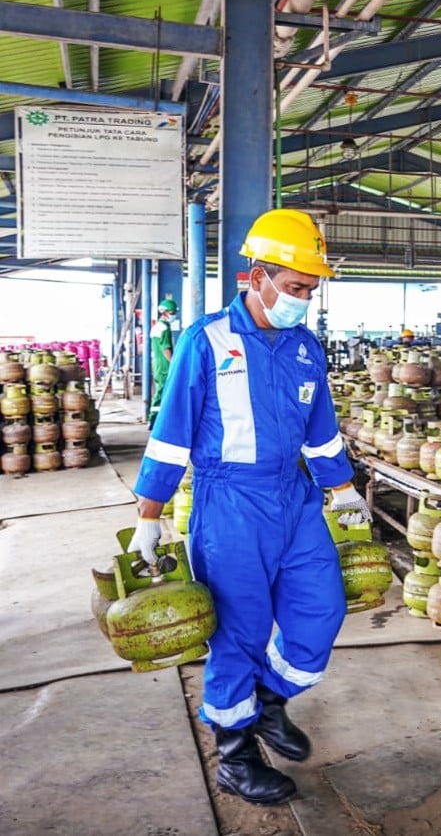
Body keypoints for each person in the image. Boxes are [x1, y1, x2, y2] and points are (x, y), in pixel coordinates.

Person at [129, 208, 372, 807]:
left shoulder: (305, 348)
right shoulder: (206, 341)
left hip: (295, 499)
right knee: (240, 632)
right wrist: (149, 516)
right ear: (258, 277)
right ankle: (235, 757)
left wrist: (342, 489)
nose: (302, 301)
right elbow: (171, 436)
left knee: (321, 608)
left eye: (310, 291)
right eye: (295, 287)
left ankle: (267, 702)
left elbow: (321, 432)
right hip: (229, 504)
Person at [148, 296, 177, 427]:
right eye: (172, 313)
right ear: (164, 313)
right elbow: (166, 349)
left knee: (160, 391)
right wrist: (174, 363)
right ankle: (154, 420)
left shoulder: (157, 327)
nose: (174, 315)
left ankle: (156, 419)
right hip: (165, 365)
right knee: (162, 392)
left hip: (157, 364)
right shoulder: (165, 328)